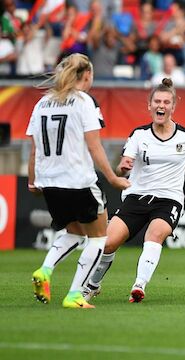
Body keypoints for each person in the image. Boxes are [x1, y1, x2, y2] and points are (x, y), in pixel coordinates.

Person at [84, 78, 185, 303]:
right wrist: (122, 168)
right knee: (108, 243)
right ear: (149, 105)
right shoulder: (138, 135)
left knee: (154, 235)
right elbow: (123, 164)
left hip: (169, 200)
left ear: (173, 107)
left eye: (166, 102)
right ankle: (92, 285)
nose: (161, 106)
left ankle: (139, 286)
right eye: (157, 101)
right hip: (136, 197)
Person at [28, 53, 130, 308]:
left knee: (73, 232)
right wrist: (112, 178)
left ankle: (45, 269)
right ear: (87, 75)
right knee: (98, 237)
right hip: (79, 181)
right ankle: (74, 294)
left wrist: (33, 181)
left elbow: (34, 149)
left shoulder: (42, 104)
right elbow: (94, 147)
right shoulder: (83, 101)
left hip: (50, 181)